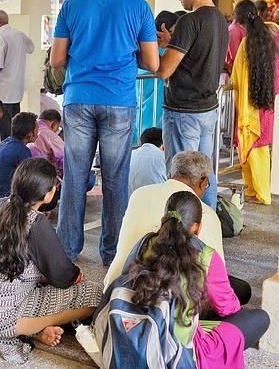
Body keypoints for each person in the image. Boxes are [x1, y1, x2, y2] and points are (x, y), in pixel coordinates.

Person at [51, 0, 159, 265]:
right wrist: (129, 54)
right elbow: (152, 62)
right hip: (118, 100)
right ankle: (113, 253)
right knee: (115, 179)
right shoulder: (138, 6)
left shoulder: (72, 5)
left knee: (75, 177)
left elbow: (58, 59)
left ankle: (67, 251)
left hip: (78, 98)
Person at [104, 191, 269, 368]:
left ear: (163, 221)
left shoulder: (144, 243)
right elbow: (227, 308)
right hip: (178, 354)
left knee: (237, 291)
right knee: (260, 317)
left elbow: (125, 281)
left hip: (135, 333)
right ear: (197, 227)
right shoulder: (206, 255)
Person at [0, 158, 102, 363]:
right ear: (47, 195)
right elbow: (63, 277)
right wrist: (78, 277)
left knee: (38, 283)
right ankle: (35, 328)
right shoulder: (36, 222)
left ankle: (36, 330)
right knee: (94, 294)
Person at [105, 151, 251, 308]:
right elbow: (216, 274)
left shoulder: (139, 194)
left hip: (115, 291)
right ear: (203, 182)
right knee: (241, 290)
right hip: (164, 307)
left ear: (169, 174)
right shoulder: (206, 214)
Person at [157, 0, 228, 210]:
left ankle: (183, 232)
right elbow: (197, 54)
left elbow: (164, 70)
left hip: (183, 110)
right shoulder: (220, 18)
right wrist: (172, 42)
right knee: (205, 173)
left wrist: (140, 53)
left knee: (183, 176)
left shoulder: (189, 20)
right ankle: (208, 225)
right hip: (208, 108)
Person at [230, 0, 279, 205]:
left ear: (241, 22)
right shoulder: (272, 36)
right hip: (267, 101)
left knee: (252, 148)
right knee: (260, 148)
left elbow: (236, 77)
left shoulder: (246, 44)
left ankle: (262, 194)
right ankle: (253, 190)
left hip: (251, 104)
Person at [0, 9, 35, 140]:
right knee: (15, 129)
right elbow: (31, 48)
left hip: (3, 91)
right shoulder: (19, 34)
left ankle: (6, 157)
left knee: (4, 132)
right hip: (16, 91)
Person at [133, 10, 179, 144]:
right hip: (154, 107)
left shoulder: (144, 47)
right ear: (164, 29)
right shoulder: (165, 52)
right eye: (174, 31)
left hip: (143, 106)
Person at [128, 127, 166, 196]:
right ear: (163, 145)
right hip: (155, 204)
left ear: (141, 142)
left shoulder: (129, 155)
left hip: (129, 204)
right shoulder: (163, 157)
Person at [29, 109, 64, 176]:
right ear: (54, 124)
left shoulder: (29, 128)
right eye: (58, 128)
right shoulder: (51, 136)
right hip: (42, 175)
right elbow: (64, 160)